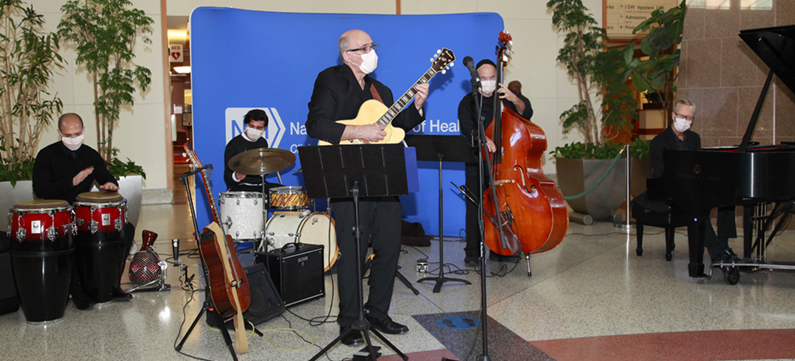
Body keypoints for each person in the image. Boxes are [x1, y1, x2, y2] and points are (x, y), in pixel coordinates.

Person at [305, 29, 428, 347]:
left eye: (374, 45)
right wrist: (359, 130)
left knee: (389, 249)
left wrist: (416, 107)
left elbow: (394, 130)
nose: (373, 51)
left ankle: (377, 313)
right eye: (365, 47)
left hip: (384, 179)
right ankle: (349, 321)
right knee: (354, 254)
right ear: (348, 55)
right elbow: (316, 124)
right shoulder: (330, 80)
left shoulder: (381, 89)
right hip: (347, 179)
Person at [32, 113, 134, 310]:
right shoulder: (46, 155)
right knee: (73, 238)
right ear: (59, 133)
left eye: (77, 134)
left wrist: (110, 184)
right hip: (58, 214)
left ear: (83, 131)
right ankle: (77, 290)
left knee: (125, 230)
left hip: (84, 213)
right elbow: (40, 189)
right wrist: (72, 181)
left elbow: (105, 175)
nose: (73, 139)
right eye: (68, 135)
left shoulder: (90, 154)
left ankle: (112, 284)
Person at [638, 99, 739, 263]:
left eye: (689, 118)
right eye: (682, 116)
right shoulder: (659, 142)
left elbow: (698, 165)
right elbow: (660, 173)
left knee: (727, 198)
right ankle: (716, 251)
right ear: (673, 115)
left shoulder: (694, 138)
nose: (685, 121)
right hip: (670, 189)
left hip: (694, 186)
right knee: (698, 205)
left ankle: (724, 245)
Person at [458, 60, 533, 267]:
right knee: (475, 205)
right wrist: (483, 137)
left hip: (507, 163)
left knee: (505, 205)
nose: (489, 82)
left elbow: (527, 113)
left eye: (493, 78)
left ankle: (503, 248)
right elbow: (467, 128)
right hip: (478, 161)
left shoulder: (507, 97)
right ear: (475, 80)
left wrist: (515, 99)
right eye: (484, 78)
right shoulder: (468, 102)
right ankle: (473, 251)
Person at [223, 109, 280, 192]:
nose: (255, 130)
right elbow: (227, 176)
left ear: (265, 128)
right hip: (241, 187)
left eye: (259, 128)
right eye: (251, 126)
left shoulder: (262, 142)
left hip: (261, 185)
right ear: (246, 124)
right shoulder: (234, 145)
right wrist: (236, 176)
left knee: (284, 193)